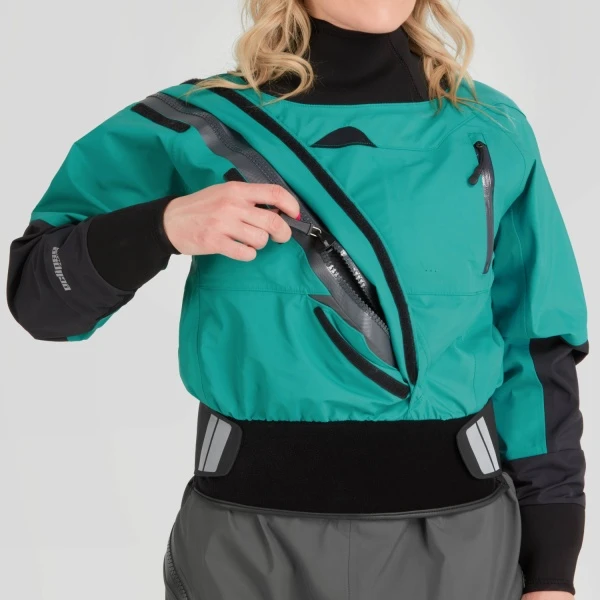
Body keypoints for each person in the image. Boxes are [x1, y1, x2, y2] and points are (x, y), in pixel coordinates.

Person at [6, 0, 589, 599]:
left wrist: (552, 570)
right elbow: (39, 297)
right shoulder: (199, 124)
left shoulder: (491, 129)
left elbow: (537, 352)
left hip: (460, 548)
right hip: (245, 551)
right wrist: (163, 226)